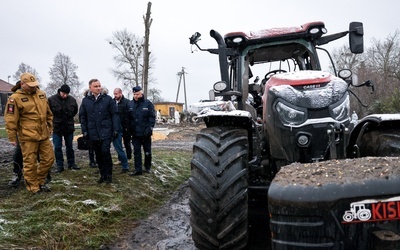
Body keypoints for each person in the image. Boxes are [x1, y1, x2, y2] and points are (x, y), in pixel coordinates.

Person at [4, 72, 54, 194]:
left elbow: (48, 113)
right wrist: (12, 137)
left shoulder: (41, 94)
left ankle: (39, 180)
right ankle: (34, 188)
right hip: (27, 136)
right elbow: (10, 119)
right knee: (30, 163)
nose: (33, 87)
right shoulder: (15, 98)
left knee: (49, 159)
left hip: (43, 134)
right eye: (30, 85)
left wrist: (50, 126)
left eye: (35, 84)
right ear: (22, 84)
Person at [79, 79, 119, 183]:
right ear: (90, 88)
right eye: (95, 86)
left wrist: (115, 129)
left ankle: (109, 175)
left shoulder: (108, 99)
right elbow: (83, 117)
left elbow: (114, 115)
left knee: (105, 152)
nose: (98, 88)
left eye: (99, 86)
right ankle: (102, 175)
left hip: (106, 131)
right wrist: (85, 130)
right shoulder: (86, 101)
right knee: (98, 154)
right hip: (93, 132)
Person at [48, 84, 80, 173]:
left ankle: (71, 163)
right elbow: (48, 113)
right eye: (63, 93)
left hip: (68, 127)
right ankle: (60, 165)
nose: (65, 95)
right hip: (57, 127)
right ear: (60, 91)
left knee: (69, 147)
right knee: (57, 147)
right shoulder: (51, 100)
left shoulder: (72, 100)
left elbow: (75, 111)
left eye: (67, 94)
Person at [128, 86, 156, 176]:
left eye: (137, 94)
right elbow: (128, 118)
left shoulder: (148, 104)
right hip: (135, 133)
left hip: (145, 133)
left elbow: (152, 117)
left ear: (141, 93)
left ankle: (147, 167)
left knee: (147, 151)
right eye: (134, 94)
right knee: (136, 152)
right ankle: (138, 169)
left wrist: (150, 128)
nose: (136, 96)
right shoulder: (130, 104)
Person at [112, 88, 131, 173]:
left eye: (116, 94)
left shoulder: (127, 102)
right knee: (119, 144)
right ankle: (121, 159)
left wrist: (128, 126)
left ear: (120, 93)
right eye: (114, 94)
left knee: (127, 143)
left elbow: (130, 115)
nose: (115, 96)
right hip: (117, 127)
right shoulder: (112, 102)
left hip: (125, 126)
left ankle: (128, 158)